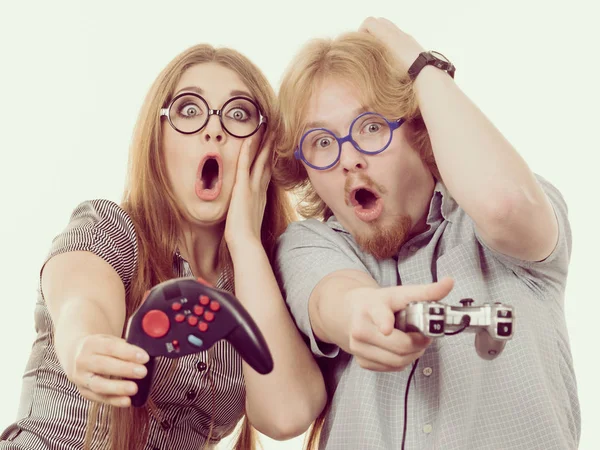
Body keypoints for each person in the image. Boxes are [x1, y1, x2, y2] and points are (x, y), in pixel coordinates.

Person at [273, 17, 580, 450]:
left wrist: (422, 65)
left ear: (419, 128)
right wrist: (362, 313)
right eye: (321, 142)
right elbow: (333, 300)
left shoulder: (513, 208)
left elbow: (504, 205)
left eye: (372, 127)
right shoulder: (312, 243)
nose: (349, 158)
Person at [0, 44, 326, 450]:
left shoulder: (269, 282)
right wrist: (84, 345)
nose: (214, 129)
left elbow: (286, 414)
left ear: (262, 149)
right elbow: (80, 302)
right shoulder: (110, 228)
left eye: (239, 114)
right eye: (190, 110)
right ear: (158, 139)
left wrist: (244, 240)